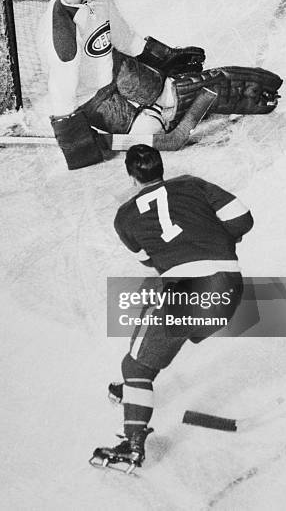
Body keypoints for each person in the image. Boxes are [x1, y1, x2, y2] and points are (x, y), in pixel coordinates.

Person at [90, 144, 254, 472]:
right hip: (228, 291)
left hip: (187, 293)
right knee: (156, 322)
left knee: (136, 365)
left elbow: (151, 261)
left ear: (131, 176)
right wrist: (219, 240)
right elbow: (242, 220)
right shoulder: (192, 184)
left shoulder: (124, 217)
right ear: (162, 167)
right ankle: (137, 387)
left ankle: (132, 446)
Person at [35, 0, 207, 168]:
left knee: (176, 94)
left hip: (116, 68)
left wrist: (166, 55)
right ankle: (152, 112)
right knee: (150, 131)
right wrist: (73, 137)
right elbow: (61, 89)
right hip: (91, 97)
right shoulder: (60, 30)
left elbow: (125, 38)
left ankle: (159, 103)